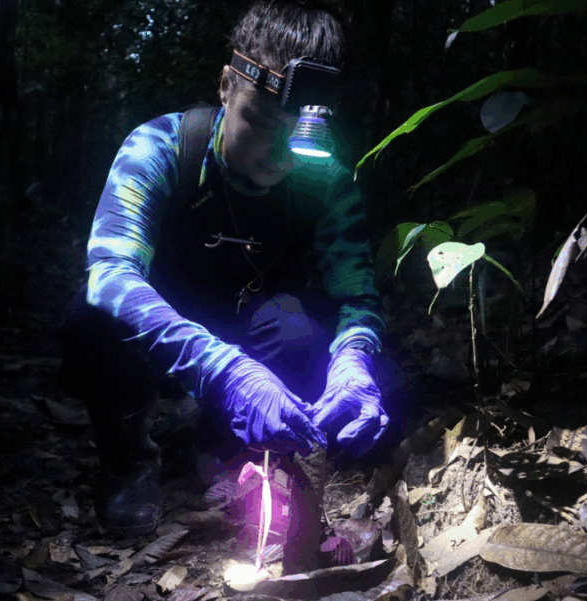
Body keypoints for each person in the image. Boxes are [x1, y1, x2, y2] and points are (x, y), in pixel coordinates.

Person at [60, 0, 389, 538]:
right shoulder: (162, 146)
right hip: (159, 327)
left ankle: (223, 444)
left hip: (249, 320)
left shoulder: (326, 177)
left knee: (305, 326)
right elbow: (110, 272)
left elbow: (357, 296)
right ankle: (129, 464)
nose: (280, 156)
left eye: (300, 135)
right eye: (260, 124)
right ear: (226, 86)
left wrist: (355, 359)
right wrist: (222, 371)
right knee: (92, 319)